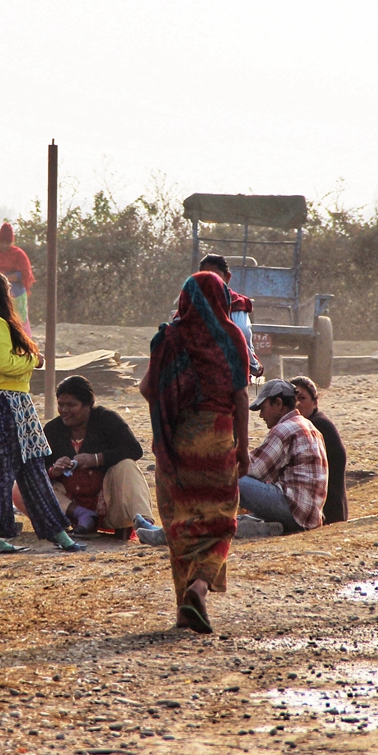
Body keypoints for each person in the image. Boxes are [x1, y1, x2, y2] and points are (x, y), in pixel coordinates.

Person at [137, 271, 252, 634]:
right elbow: (241, 397)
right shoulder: (232, 338)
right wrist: (244, 447)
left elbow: (147, 388)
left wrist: (175, 398)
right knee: (220, 522)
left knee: (181, 524)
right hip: (218, 440)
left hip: (176, 444)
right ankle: (198, 588)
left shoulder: (169, 339)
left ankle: (183, 610)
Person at [0, 271, 82, 554]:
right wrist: (34, 359)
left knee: (33, 469)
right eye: (7, 290)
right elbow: (6, 364)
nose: (10, 296)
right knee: (5, 472)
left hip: (3, 402)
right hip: (5, 403)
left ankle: (58, 533)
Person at [43, 374, 155, 537]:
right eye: (60, 405)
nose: (64, 411)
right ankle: (83, 516)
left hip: (108, 500)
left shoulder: (106, 419)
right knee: (30, 484)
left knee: (127, 465)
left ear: (88, 405)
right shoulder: (52, 429)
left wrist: (96, 459)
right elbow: (39, 466)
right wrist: (54, 470)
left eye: (71, 405)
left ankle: (145, 525)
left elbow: (134, 449)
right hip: (69, 507)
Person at [238, 379, 328, 536]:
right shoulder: (308, 425)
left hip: (294, 509)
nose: (261, 415)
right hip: (310, 513)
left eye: (263, 408)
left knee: (231, 480)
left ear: (278, 404)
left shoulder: (285, 429)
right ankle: (265, 527)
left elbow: (253, 469)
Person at [290, 375, 348, 523]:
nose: (296, 404)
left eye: (302, 398)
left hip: (327, 513)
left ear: (315, 403)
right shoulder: (311, 424)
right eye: (292, 399)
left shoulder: (317, 427)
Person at [199, 253, 262, 376]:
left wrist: (253, 364)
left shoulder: (236, 304)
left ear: (227, 278)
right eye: (205, 278)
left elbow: (242, 334)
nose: (210, 282)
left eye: (215, 277)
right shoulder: (190, 302)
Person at [0, 222, 35, 336]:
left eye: (8, 242)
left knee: (20, 323)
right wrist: (1, 279)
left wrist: (14, 277)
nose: (4, 245)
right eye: (2, 242)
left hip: (17, 294)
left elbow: (26, 274)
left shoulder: (19, 254)